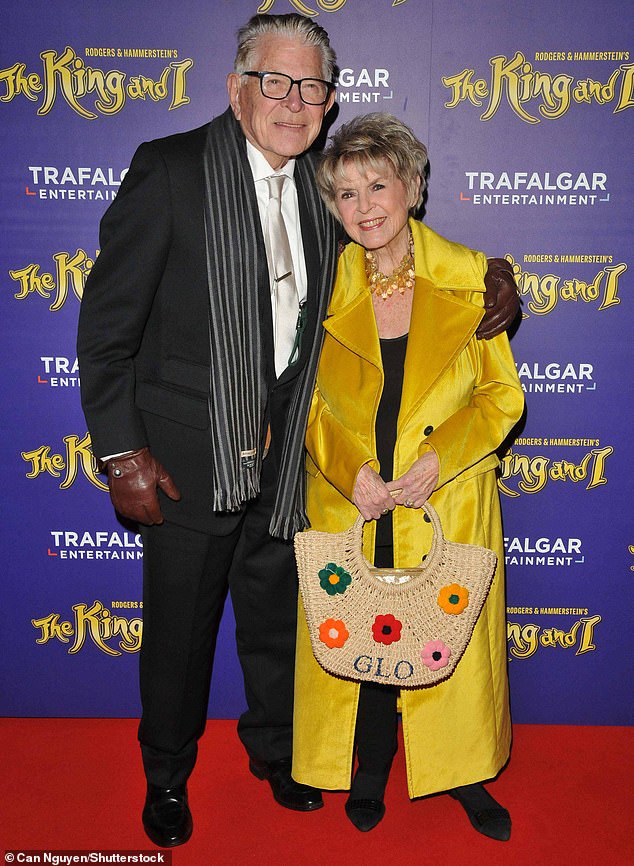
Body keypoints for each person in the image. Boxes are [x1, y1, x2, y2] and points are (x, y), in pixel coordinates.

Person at [77, 13, 519, 849]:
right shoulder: (170, 170)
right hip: (184, 463)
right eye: (274, 81)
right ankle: (165, 775)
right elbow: (105, 331)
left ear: (327, 100)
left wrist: (495, 275)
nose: (292, 101)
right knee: (178, 636)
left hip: (296, 468)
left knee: (280, 629)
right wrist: (120, 448)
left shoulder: (326, 193)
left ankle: (278, 755)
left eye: (310, 86)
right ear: (237, 88)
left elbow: (396, 257)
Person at [292, 113, 525, 841]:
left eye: (378, 185)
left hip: (444, 498)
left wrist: (439, 460)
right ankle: (370, 764)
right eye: (346, 192)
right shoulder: (316, 289)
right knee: (361, 633)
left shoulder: (470, 276)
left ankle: (463, 772)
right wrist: (345, 468)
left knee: (445, 636)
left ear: (413, 188)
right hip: (353, 501)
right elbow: (296, 405)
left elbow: (501, 399)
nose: (364, 206)